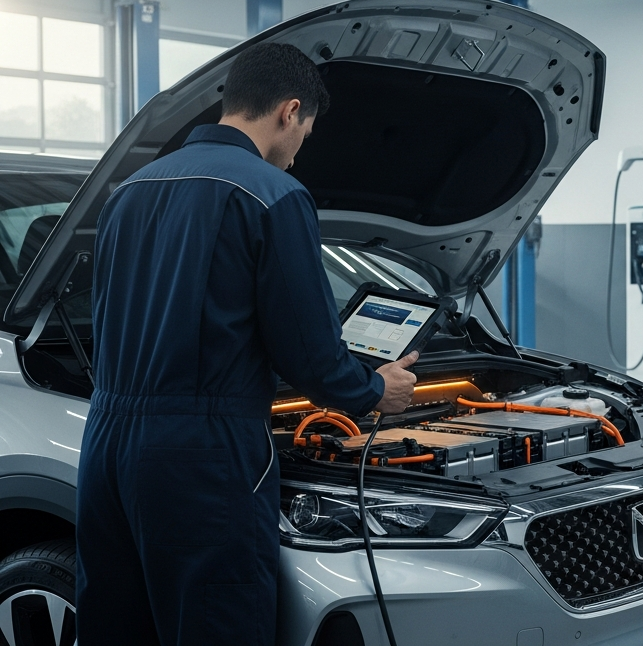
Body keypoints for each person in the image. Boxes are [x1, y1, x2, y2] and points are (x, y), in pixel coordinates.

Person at [74, 43, 418, 645]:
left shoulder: (128, 191)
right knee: (217, 626)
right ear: (290, 112)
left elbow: (108, 318)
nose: (299, 151)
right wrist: (373, 389)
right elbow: (309, 354)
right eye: (306, 132)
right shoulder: (272, 193)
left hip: (106, 443)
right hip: (202, 454)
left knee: (118, 626)